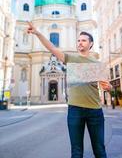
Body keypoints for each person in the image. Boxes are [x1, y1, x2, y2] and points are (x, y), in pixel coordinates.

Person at [27, 22, 111, 158]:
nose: (80, 43)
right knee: (76, 152)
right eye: (78, 40)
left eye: (83, 40)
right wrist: (37, 33)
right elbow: (52, 47)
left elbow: (106, 85)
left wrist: (109, 87)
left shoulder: (98, 64)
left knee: (99, 150)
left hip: (95, 111)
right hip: (75, 110)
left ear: (91, 44)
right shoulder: (71, 59)